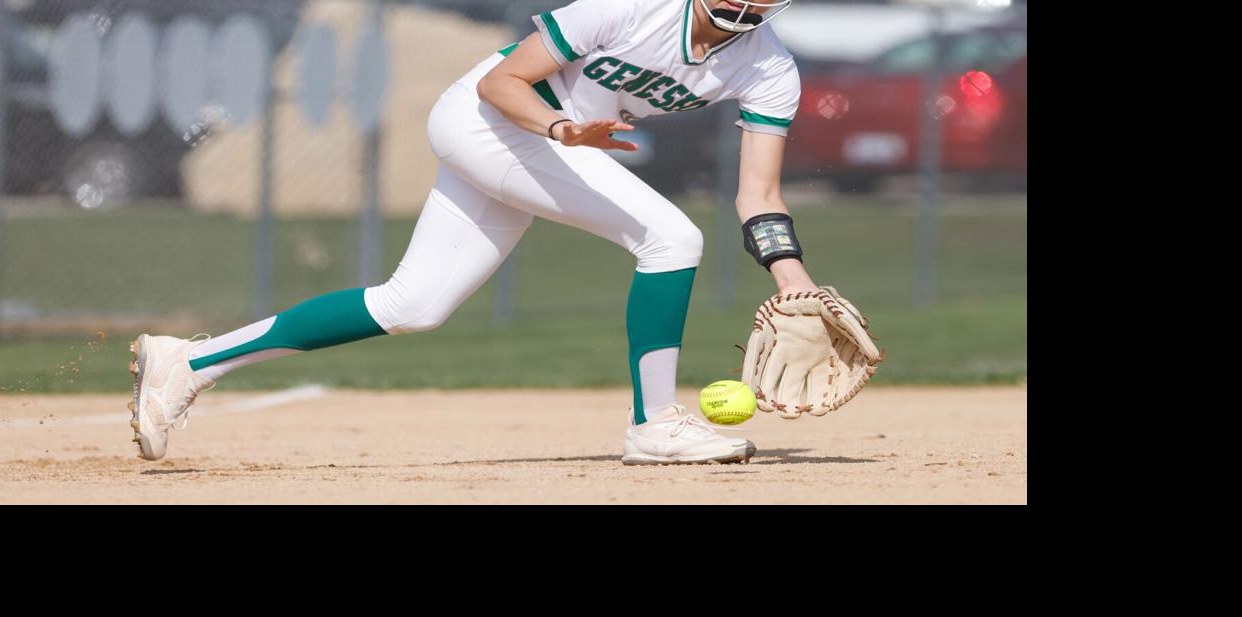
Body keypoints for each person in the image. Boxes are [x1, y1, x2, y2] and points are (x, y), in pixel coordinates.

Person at [129, 0, 815, 465]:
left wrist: (795, 284)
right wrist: (564, 130)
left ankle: (186, 364)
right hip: (489, 121)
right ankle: (654, 423)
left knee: (412, 306)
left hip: (550, 143)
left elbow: (758, 194)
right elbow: (502, 83)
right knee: (672, 238)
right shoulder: (631, 6)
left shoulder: (768, 67)